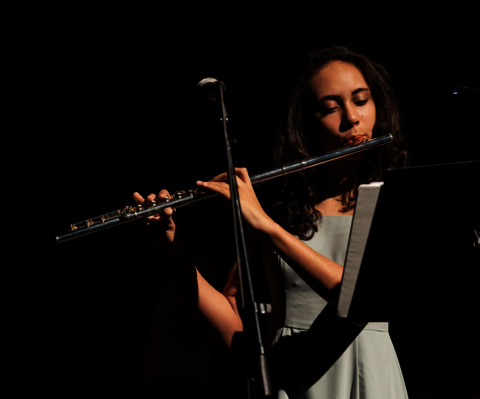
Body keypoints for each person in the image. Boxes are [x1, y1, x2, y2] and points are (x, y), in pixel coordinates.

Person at [134, 46, 409, 398]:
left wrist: (265, 225)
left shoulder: (396, 200)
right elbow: (233, 329)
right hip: (290, 378)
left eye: (361, 100)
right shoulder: (279, 208)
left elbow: (355, 299)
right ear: (307, 124)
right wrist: (171, 252)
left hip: (370, 374)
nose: (351, 118)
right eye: (329, 108)